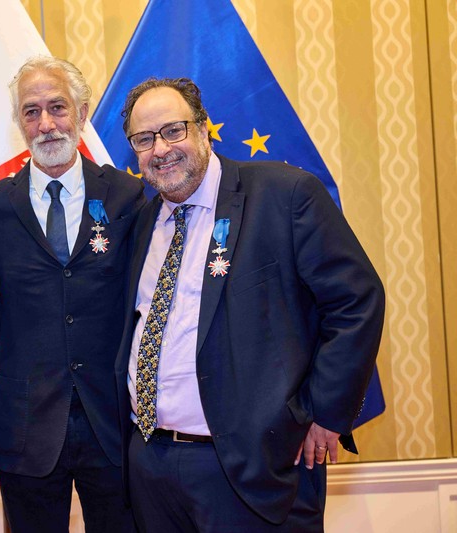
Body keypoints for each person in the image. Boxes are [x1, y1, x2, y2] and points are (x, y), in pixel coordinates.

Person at [114, 77, 385, 532]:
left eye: (173, 130)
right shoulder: (144, 223)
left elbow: (356, 300)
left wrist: (325, 412)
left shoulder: (284, 195)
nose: (160, 149)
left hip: (253, 469)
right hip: (152, 468)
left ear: (203, 130)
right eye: (144, 139)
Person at [0, 56, 145, 533]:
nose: (46, 124)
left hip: (114, 423)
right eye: (31, 112)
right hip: (26, 426)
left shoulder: (127, 198)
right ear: (19, 123)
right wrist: (11, 330)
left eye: (57, 107)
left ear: (83, 112)